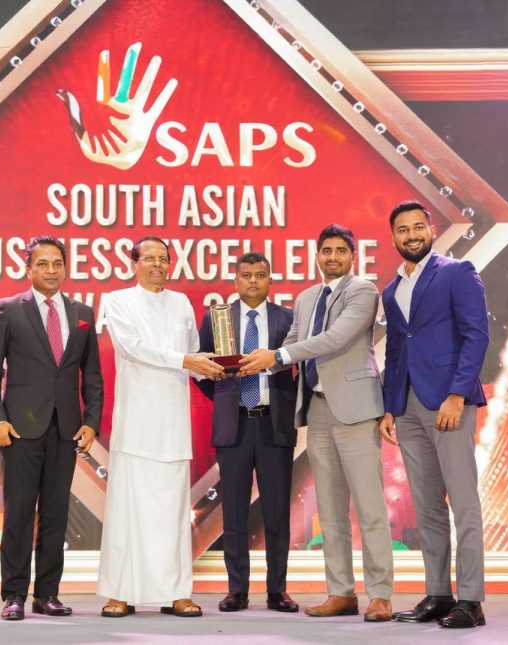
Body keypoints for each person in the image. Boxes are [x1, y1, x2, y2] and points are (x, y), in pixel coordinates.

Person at [240, 224, 393, 621]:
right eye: (326, 250)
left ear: (352, 256)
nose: (332, 257)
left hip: (356, 408)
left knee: (370, 507)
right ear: (317, 255)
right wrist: (253, 360)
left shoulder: (363, 291)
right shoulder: (307, 297)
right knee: (330, 509)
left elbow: (335, 338)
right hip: (318, 409)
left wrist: (276, 356)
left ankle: (380, 594)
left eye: (340, 250)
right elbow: (293, 341)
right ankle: (340, 592)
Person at [98, 237, 223, 618]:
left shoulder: (181, 302)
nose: (156, 264)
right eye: (148, 258)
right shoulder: (117, 301)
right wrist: (186, 360)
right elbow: (132, 347)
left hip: (172, 425)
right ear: (133, 263)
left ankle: (176, 592)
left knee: (172, 514)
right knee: (128, 512)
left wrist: (216, 367)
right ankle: (121, 592)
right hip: (135, 424)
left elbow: (193, 355)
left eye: (163, 258)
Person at [0, 235, 103, 621]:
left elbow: (92, 375)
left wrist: (91, 422)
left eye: (58, 263)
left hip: (65, 429)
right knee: (18, 513)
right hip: (20, 428)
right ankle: (14, 594)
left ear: (65, 268)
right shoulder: (8, 309)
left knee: (55, 514)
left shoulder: (82, 312)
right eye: (43, 263)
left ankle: (47, 594)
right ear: (28, 268)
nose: (51, 270)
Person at [379, 201, 489, 629]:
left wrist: (458, 394)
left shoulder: (457, 272)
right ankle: (439, 594)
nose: (411, 235)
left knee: (463, 502)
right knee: (426, 506)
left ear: (431, 229)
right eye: (402, 229)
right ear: (393, 236)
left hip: (448, 404)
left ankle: (472, 600)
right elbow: (395, 351)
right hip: (407, 407)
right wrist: (390, 407)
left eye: (418, 227)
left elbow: (476, 334)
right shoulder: (391, 291)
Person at [196, 252, 298, 613]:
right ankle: (237, 590)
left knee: (277, 512)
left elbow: (298, 365)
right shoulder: (218, 318)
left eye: (260, 275)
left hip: (274, 425)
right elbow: (202, 370)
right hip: (234, 425)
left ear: (270, 280)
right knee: (234, 512)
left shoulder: (288, 318)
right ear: (236, 280)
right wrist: (226, 397)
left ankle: (277, 591)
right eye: (246, 275)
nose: (253, 281)